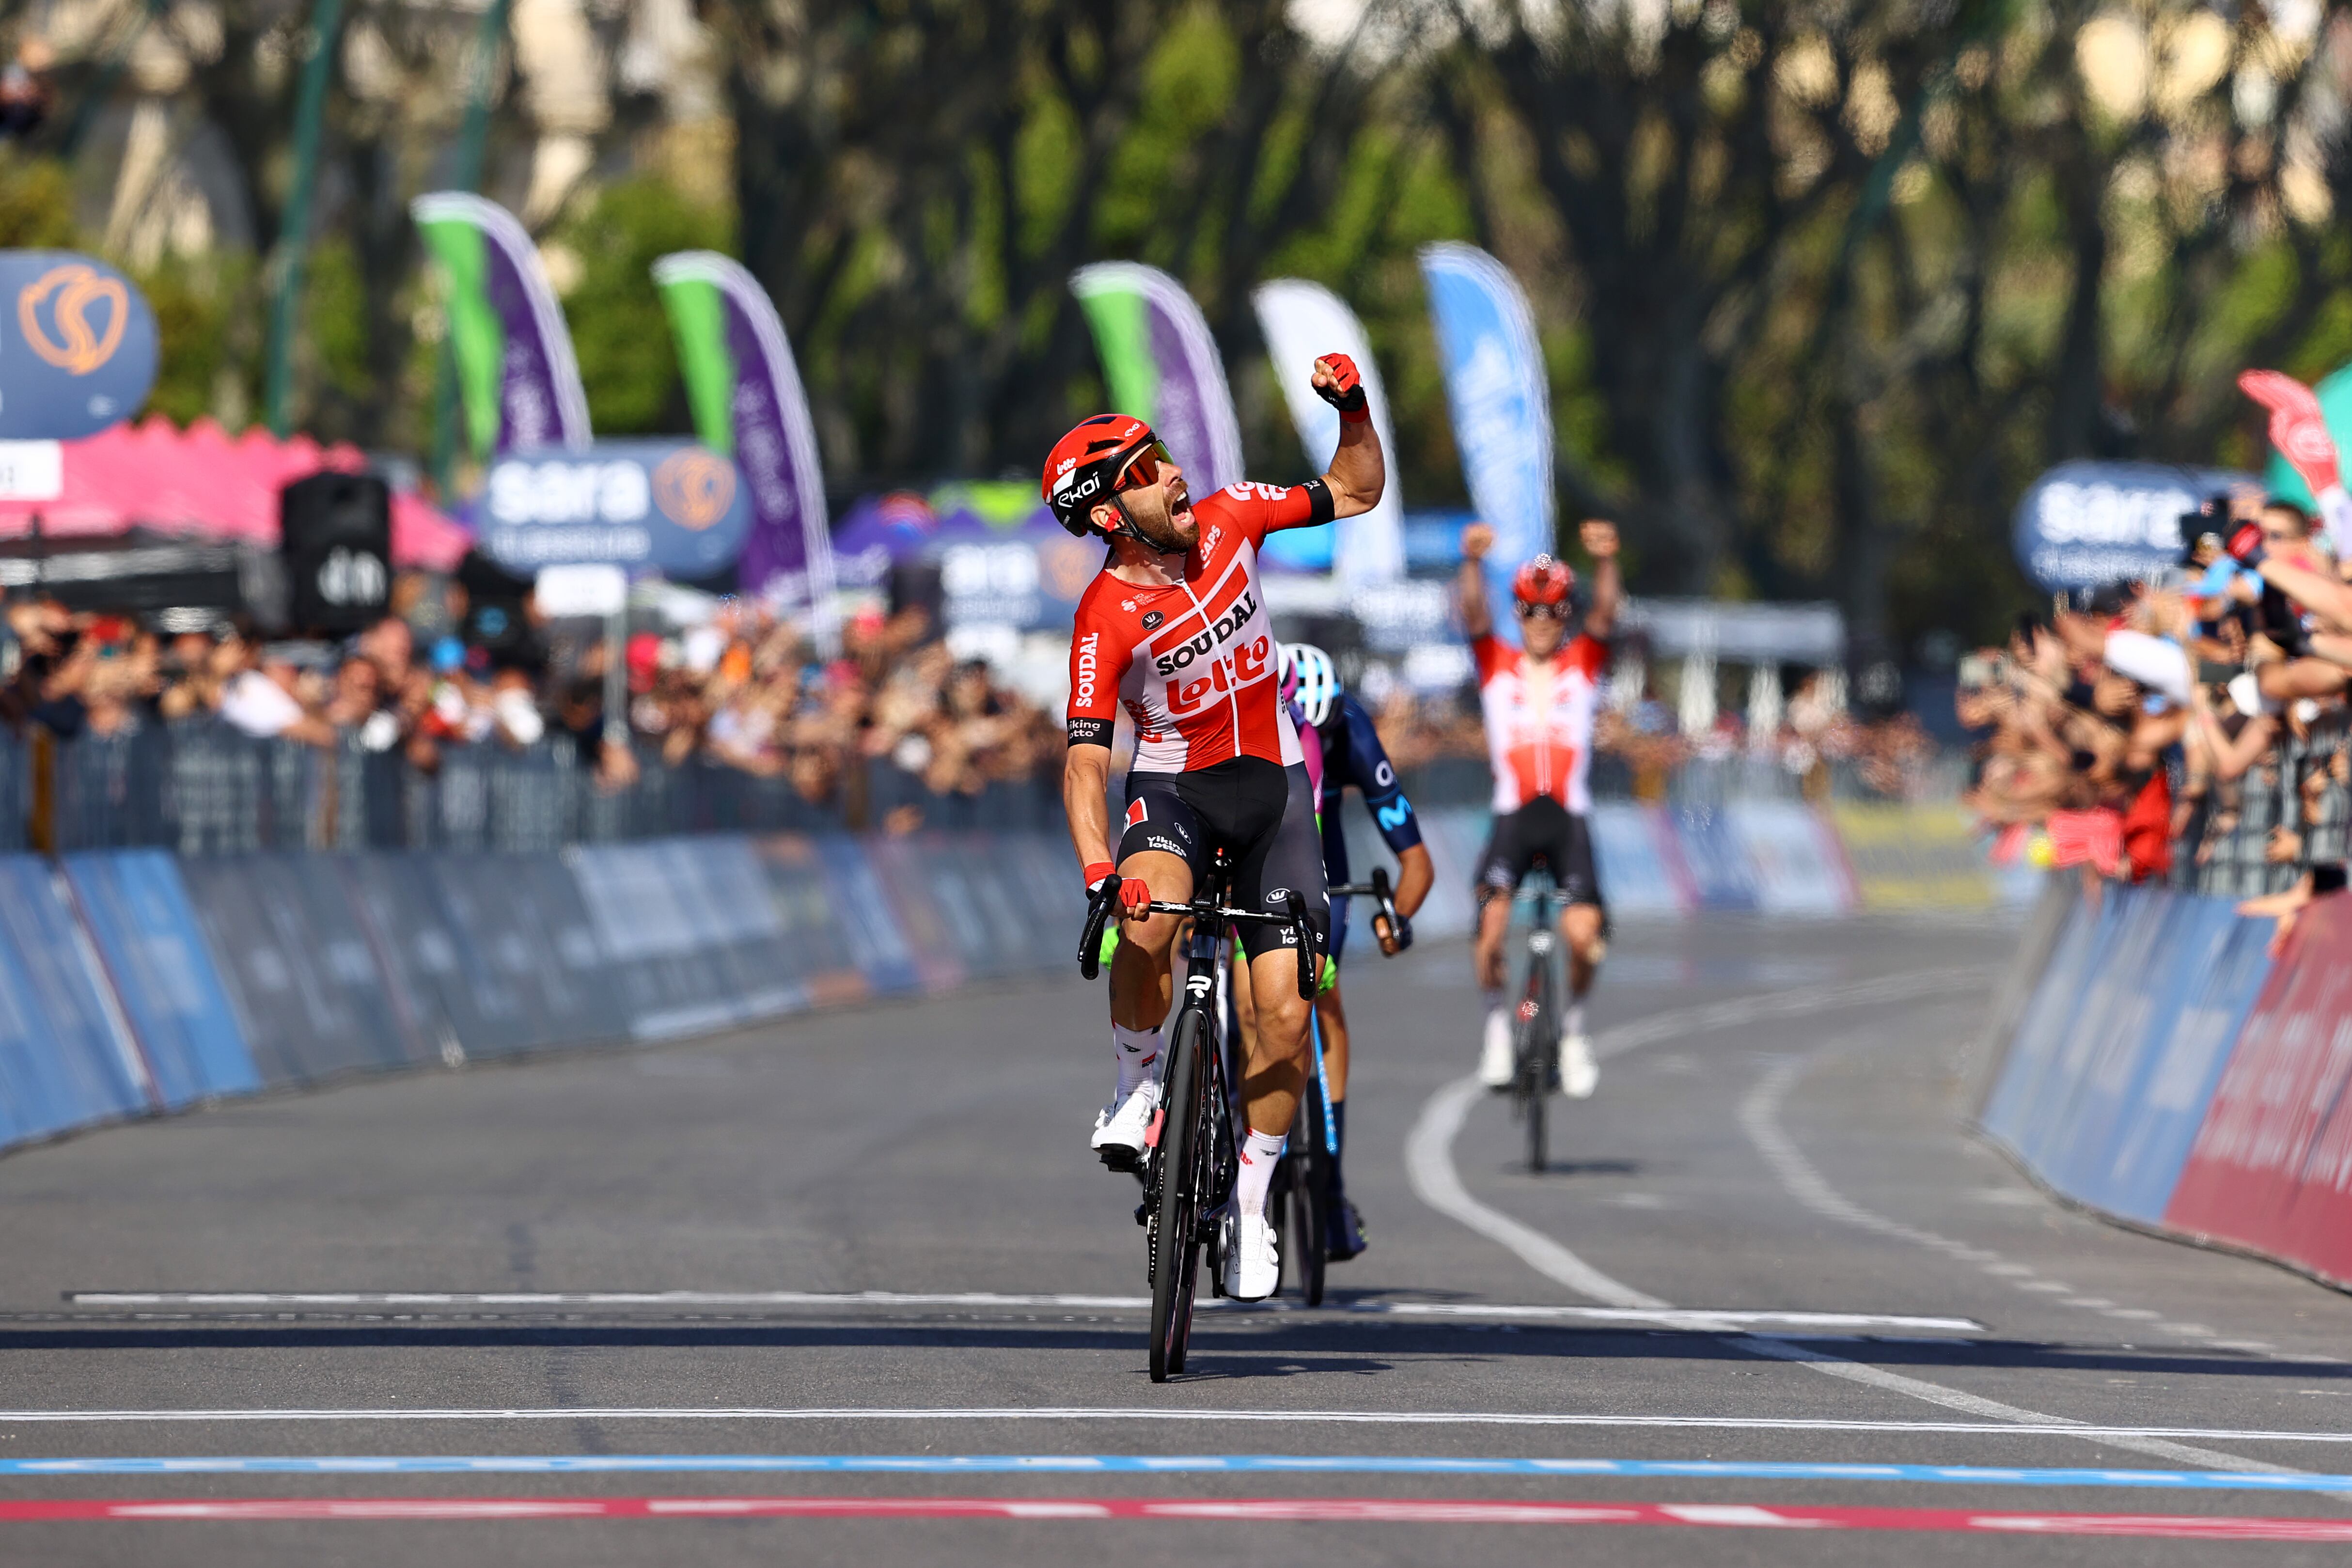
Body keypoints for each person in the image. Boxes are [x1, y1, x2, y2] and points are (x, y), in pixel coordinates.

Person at [1052, 354, 1386, 1302]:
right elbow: (1084, 761)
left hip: (1275, 792)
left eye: (1163, 452)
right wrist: (1095, 870)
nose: (1173, 472)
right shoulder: (1104, 617)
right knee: (1147, 914)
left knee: (1284, 1014)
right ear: (1113, 515)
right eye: (1147, 470)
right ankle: (1136, 1085)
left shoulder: (1236, 517)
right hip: (1177, 794)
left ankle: (1251, 1190)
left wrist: (1353, 408)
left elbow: (1358, 489)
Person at [1457, 518, 1621, 1097]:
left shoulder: (1584, 664)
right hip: (1513, 815)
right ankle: (1498, 1031)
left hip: (1570, 816)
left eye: (1553, 611)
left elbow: (1606, 615)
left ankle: (1573, 1032)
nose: (1542, 622)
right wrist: (1472, 562)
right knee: (1490, 923)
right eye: (1530, 609)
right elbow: (1473, 616)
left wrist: (1606, 560)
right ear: (1518, 613)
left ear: (1566, 615)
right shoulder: (1497, 663)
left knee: (1583, 934)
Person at [1299, 651, 1433, 1258]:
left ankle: (1329, 1187)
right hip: (1245, 846)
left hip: (1323, 865)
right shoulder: (1244, 710)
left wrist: (1395, 915)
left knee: (1320, 991)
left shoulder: (1351, 729)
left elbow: (1416, 861)